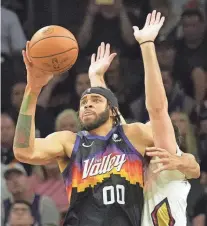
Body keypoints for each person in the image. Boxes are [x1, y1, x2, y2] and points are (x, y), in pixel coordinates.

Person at [13, 11, 199, 226]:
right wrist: (33, 89)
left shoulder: (133, 136)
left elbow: (158, 111)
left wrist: (147, 44)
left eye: (94, 100)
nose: (87, 104)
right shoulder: (70, 142)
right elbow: (23, 151)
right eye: (83, 102)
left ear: (112, 111)